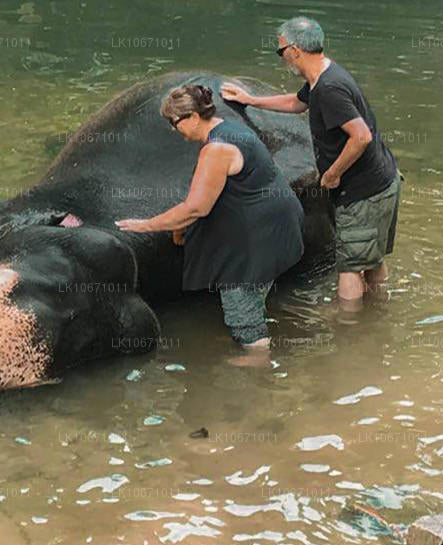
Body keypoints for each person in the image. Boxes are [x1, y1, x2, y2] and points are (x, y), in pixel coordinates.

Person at [222, 15, 399, 308]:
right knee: (371, 256)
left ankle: (351, 330)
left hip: (363, 192)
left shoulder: (329, 89)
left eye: (280, 51)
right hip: (383, 181)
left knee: (350, 265)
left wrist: (332, 174)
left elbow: (361, 136)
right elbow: (296, 102)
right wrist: (250, 100)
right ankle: (379, 312)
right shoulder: (323, 78)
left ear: (294, 50)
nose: (281, 58)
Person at [115, 84, 305, 352]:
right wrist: (179, 232)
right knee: (253, 297)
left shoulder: (217, 149)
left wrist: (144, 225)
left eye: (174, 122)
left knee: (242, 314)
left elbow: (196, 208)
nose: (173, 129)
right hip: (281, 223)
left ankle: (255, 367)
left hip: (259, 239)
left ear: (193, 117)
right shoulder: (230, 128)